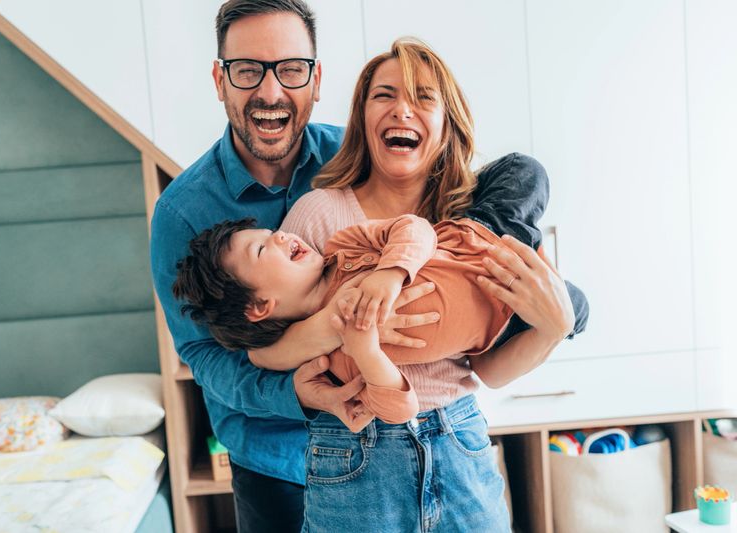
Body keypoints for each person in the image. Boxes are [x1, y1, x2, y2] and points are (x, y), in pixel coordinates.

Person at [150, 0, 586, 530]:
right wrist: (333, 348)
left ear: (316, 81)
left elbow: (479, 359)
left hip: (453, 437)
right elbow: (209, 353)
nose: (270, 92)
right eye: (247, 71)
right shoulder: (189, 212)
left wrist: (550, 320)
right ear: (220, 80)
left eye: (290, 69)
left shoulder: (360, 156)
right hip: (298, 449)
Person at [173, 209, 548, 426]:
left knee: (523, 172)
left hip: (481, 236)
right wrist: (367, 352)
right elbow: (401, 410)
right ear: (259, 307)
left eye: (272, 232)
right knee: (575, 307)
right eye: (261, 248)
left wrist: (390, 271)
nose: (282, 235)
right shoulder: (341, 360)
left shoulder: (343, 248)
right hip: (505, 321)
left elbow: (413, 226)